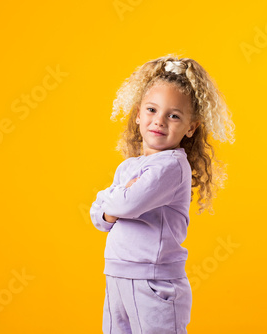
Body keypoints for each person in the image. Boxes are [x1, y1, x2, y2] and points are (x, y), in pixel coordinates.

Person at [90, 53, 235, 334]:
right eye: (152, 110)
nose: (160, 121)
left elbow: (128, 203)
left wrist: (115, 201)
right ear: (138, 115)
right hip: (117, 276)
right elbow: (99, 216)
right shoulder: (128, 167)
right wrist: (113, 206)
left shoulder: (171, 166)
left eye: (174, 115)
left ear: (190, 127)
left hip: (153, 284)